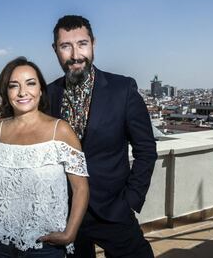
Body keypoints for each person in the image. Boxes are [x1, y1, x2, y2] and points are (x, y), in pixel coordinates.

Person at [47, 15, 158, 258]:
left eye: (82, 43)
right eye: (66, 46)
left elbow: (146, 149)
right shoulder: (47, 95)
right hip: (65, 213)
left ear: (93, 44)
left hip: (113, 210)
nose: (76, 54)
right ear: (55, 49)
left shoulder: (123, 89)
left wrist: (130, 199)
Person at [0, 57, 90, 258]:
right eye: (13, 86)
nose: (22, 92)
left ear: (41, 89)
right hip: (1, 239)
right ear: (6, 92)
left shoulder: (60, 131)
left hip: (45, 243)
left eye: (30, 83)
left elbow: (81, 188)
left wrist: (70, 233)